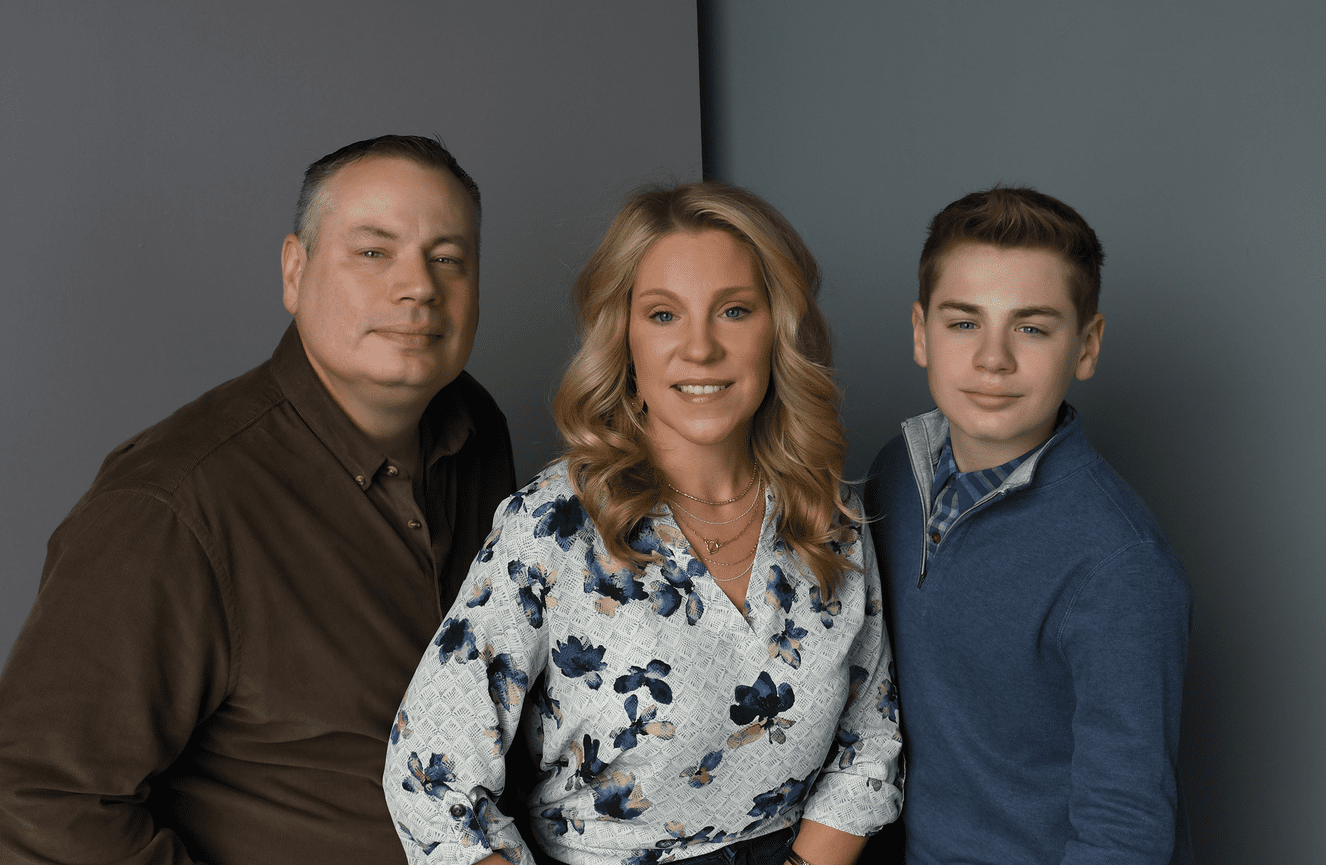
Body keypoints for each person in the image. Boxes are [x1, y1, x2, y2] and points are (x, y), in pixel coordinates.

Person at [0, 135, 516, 864]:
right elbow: (34, 799)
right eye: (374, 252)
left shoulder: (475, 431)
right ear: (295, 272)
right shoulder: (173, 507)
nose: (418, 288)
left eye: (448, 258)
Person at [384, 182, 902, 865]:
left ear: (779, 328)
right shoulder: (552, 526)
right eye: (663, 314)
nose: (700, 348)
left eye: (735, 310)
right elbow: (427, 778)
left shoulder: (827, 514)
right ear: (624, 336)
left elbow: (870, 744)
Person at [864, 186, 1193, 865]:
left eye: (1032, 328)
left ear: (1087, 347)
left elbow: (1124, 828)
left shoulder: (1120, 565)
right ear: (921, 333)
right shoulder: (896, 472)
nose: (993, 359)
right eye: (964, 323)